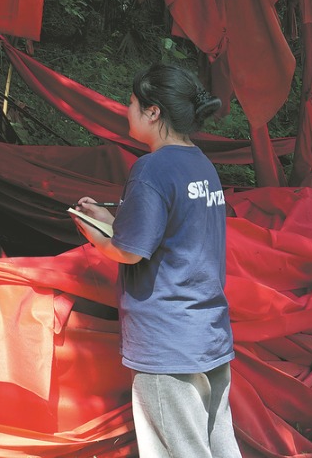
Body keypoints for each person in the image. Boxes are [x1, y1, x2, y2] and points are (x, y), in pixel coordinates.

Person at [72, 63, 240, 458]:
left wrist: (93, 235)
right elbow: (165, 232)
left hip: (167, 342)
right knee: (219, 442)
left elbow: (129, 250)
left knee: (181, 450)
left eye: (131, 102)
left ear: (153, 111)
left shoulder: (151, 169)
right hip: (208, 332)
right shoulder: (201, 164)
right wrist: (111, 220)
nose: (126, 109)